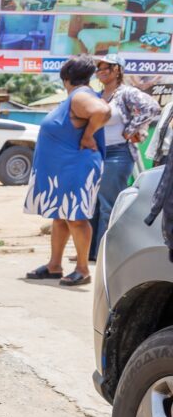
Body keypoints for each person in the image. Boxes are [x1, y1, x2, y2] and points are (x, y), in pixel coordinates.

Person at [24, 55, 110, 287]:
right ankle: (55, 265)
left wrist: (89, 135)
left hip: (77, 166)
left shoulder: (80, 94)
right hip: (63, 168)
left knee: (76, 218)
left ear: (65, 77)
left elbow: (102, 111)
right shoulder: (75, 96)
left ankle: (82, 269)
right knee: (60, 217)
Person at [90, 54, 159, 260]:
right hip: (95, 153)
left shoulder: (126, 93)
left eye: (106, 68)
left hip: (118, 153)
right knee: (92, 205)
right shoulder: (97, 95)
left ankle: (105, 253)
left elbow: (152, 107)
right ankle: (90, 251)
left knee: (108, 204)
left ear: (117, 70)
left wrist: (131, 129)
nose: (101, 72)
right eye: (99, 69)